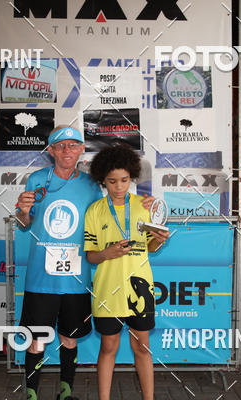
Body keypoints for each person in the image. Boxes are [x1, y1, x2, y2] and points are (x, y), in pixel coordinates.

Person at [15, 127, 153, 400]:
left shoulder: (91, 184)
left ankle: (65, 394)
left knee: (70, 338)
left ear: (81, 150)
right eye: (60, 145)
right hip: (41, 278)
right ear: (51, 150)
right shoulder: (36, 179)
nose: (67, 150)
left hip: (76, 280)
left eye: (73, 144)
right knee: (37, 340)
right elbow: (23, 224)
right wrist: (23, 211)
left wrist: (146, 206)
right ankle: (31, 395)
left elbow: (110, 212)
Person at [84, 146, 169, 400]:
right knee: (108, 346)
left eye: (124, 180)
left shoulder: (144, 206)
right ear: (103, 180)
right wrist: (106, 253)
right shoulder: (94, 210)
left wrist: (159, 240)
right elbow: (90, 256)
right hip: (107, 290)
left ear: (131, 177)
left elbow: (151, 248)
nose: (119, 187)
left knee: (142, 347)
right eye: (112, 181)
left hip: (140, 287)